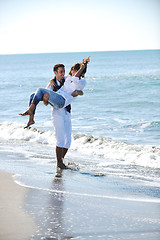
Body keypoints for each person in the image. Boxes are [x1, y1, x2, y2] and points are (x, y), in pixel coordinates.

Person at [20, 57, 90, 169]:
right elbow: (47, 102)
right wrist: (48, 94)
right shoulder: (61, 81)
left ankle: (61, 161)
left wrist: (80, 92)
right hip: (58, 109)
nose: (66, 73)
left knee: (68, 142)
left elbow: (77, 81)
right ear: (55, 73)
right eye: (72, 69)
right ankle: (31, 117)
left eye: (64, 71)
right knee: (34, 95)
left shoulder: (77, 80)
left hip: (66, 110)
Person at [19, 57, 90, 116]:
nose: (72, 72)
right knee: (32, 96)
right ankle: (31, 119)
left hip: (62, 101)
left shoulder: (82, 82)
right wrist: (52, 80)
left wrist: (81, 68)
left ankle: (30, 110)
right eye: (72, 70)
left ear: (80, 72)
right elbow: (59, 76)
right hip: (57, 98)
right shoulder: (68, 78)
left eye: (74, 71)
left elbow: (76, 80)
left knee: (40, 90)